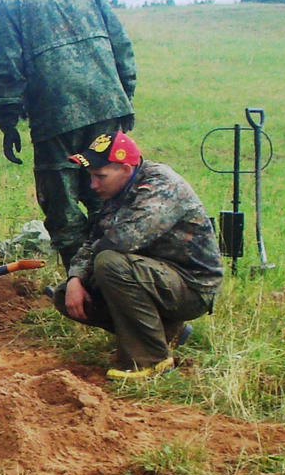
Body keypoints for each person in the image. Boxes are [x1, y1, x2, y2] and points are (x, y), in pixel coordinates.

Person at [0, 0, 139, 271]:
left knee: (61, 204)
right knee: (105, 189)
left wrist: (8, 120)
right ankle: (117, 273)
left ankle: (82, 284)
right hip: (106, 108)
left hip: (54, 117)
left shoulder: (11, 1)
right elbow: (121, 44)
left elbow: (8, 65)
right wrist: (124, 98)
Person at [53, 130, 221, 380]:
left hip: (193, 285)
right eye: (91, 177)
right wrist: (76, 279)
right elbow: (95, 239)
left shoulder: (160, 185)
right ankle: (165, 330)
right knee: (65, 293)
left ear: (125, 169)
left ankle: (151, 360)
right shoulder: (118, 189)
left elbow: (122, 240)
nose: (93, 185)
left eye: (100, 176)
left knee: (109, 264)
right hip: (157, 275)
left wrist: (84, 268)